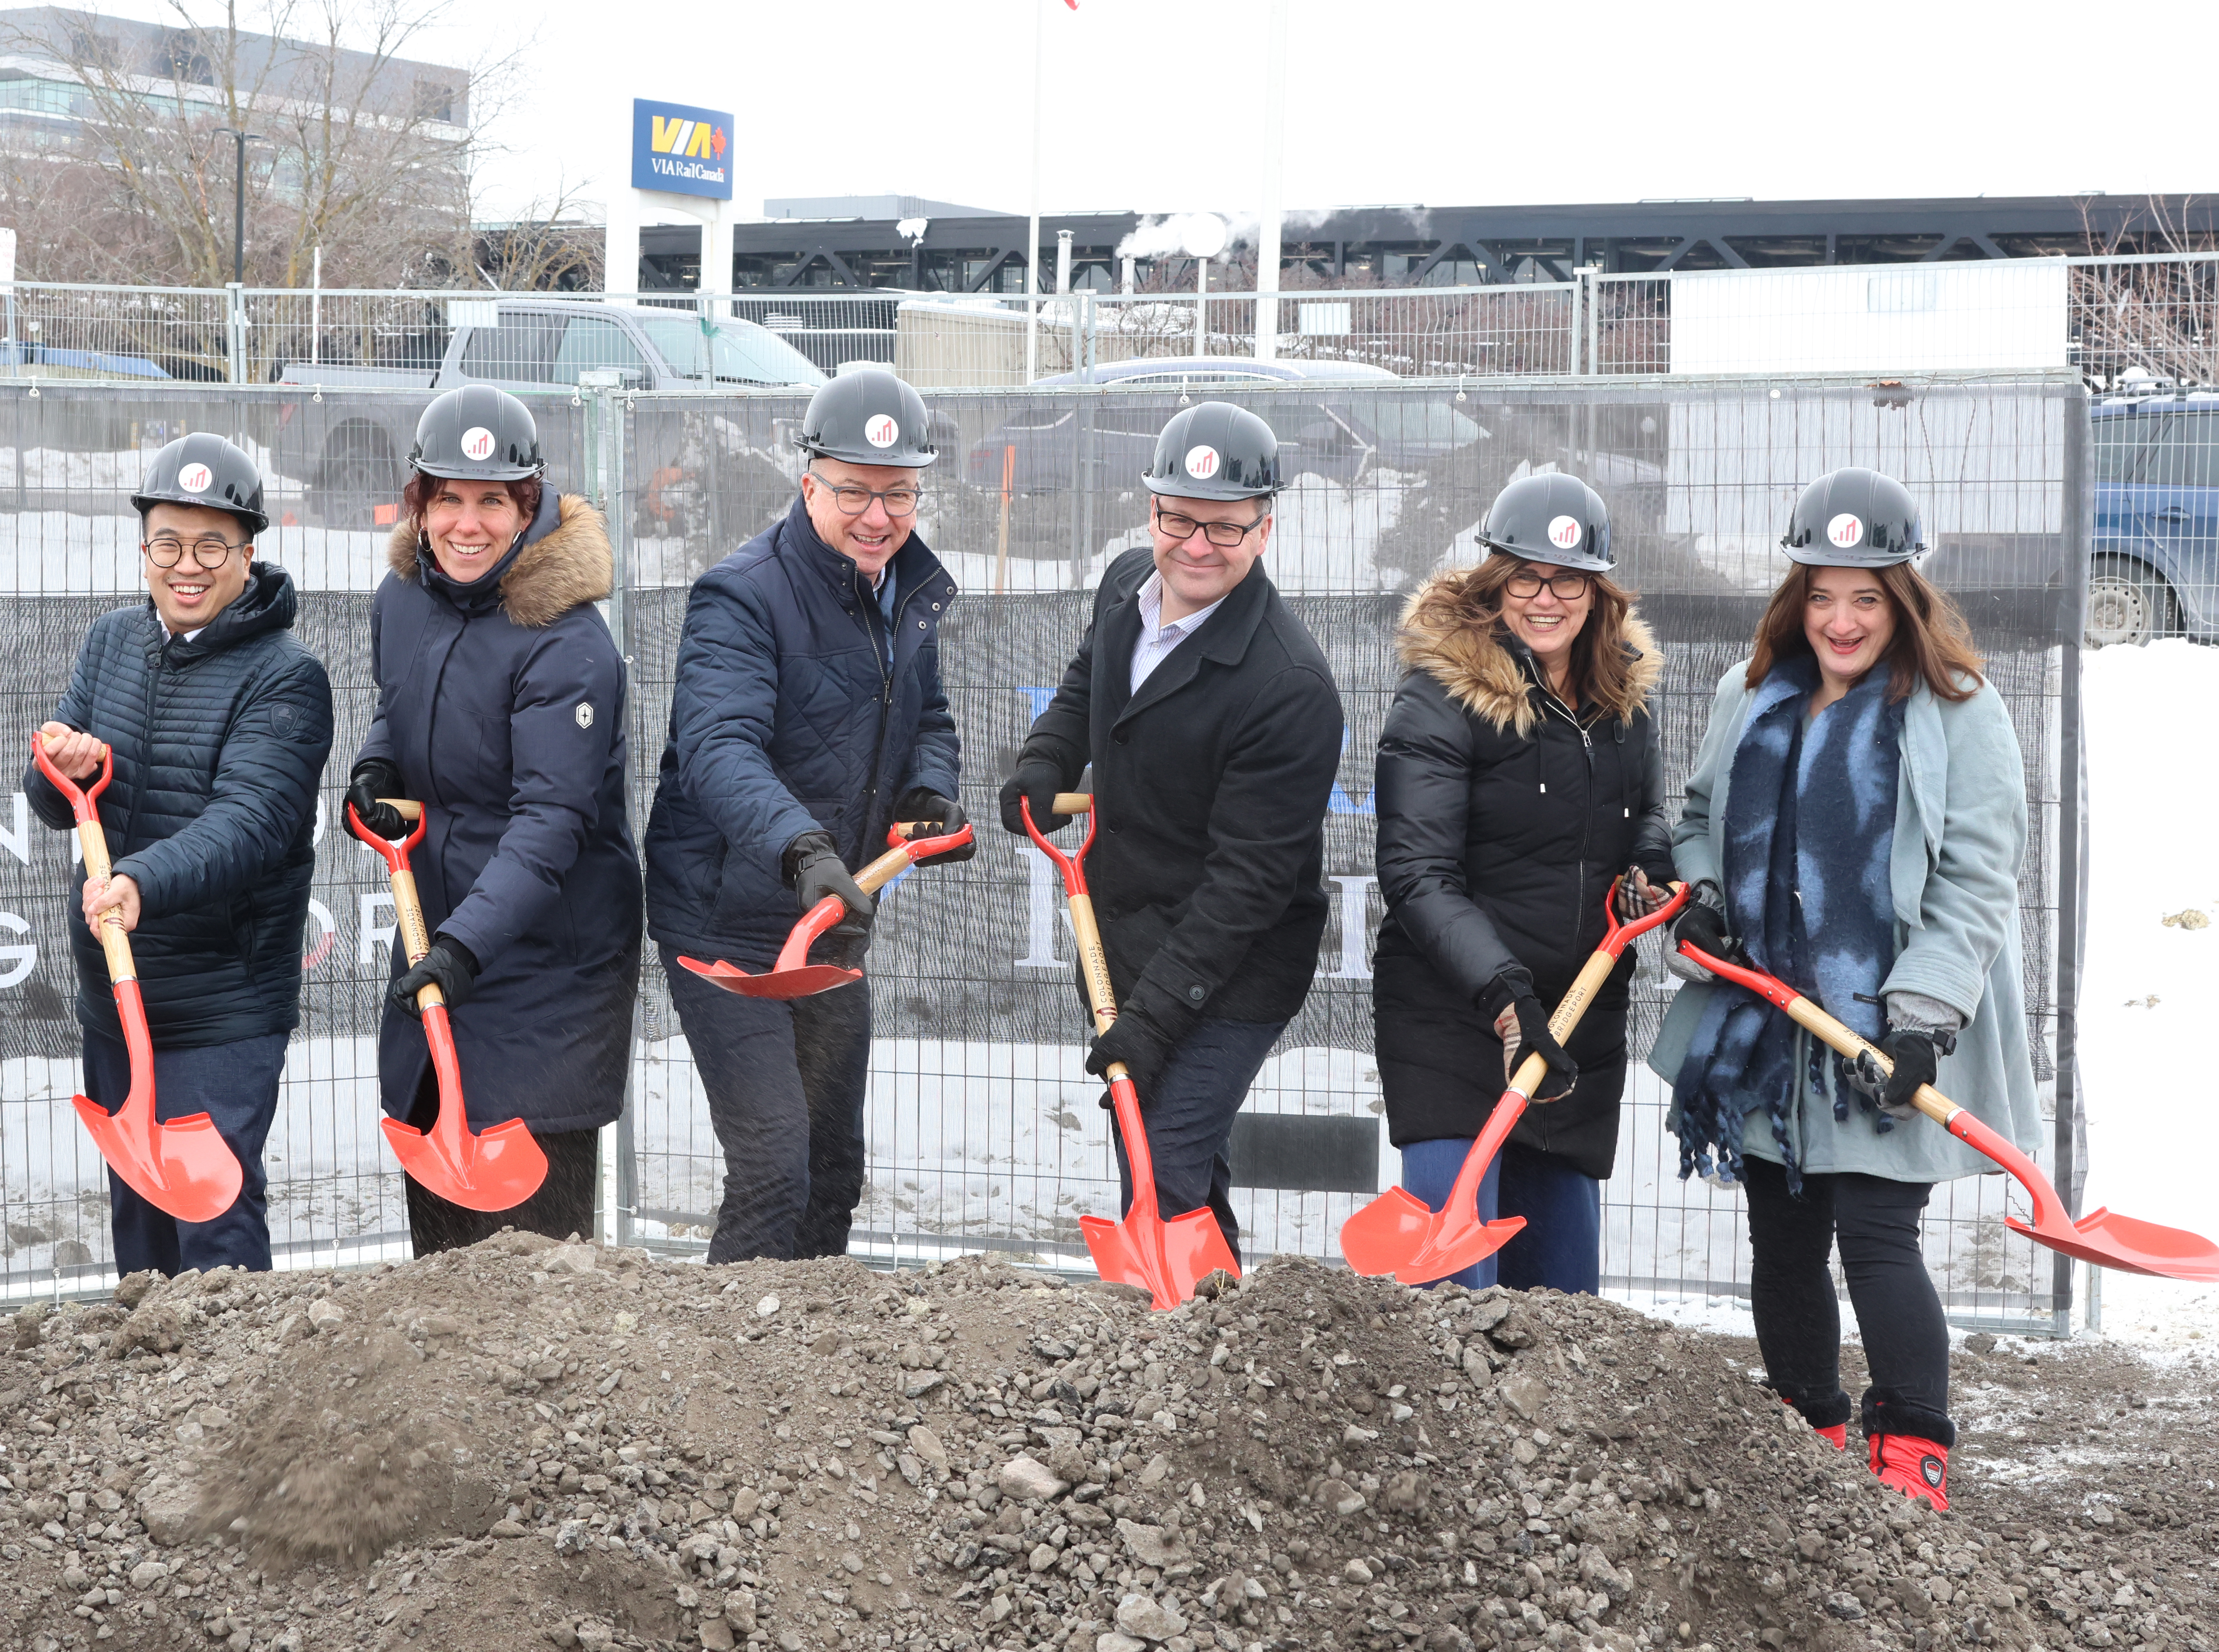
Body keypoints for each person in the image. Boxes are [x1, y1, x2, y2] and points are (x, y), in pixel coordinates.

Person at [1654, 466, 2032, 1512]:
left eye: (1865, 595)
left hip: (1883, 1026)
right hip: (1769, 1025)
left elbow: (1977, 871)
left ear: (1903, 598)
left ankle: (1910, 1456)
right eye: (1820, 593)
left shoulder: (1957, 709)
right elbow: (1695, 817)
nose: (1840, 617)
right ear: (1796, 596)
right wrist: (1702, 896)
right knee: (1780, 1237)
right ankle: (1805, 1429)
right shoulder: (1750, 694)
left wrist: (1924, 1010)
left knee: (1874, 1235)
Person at [999, 402, 1341, 1263]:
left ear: (1263, 528)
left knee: (1165, 1162)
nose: (1196, 545)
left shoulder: (1286, 685)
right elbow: (1085, 686)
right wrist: (1046, 760)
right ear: (1150, 509)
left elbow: (1247, 887)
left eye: (1224, 527)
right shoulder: (1124, 585)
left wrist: (1149, 1024)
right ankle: (1212, 1328)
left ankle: (1178, 1350)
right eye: (1178, 519)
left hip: (1234, 971)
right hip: (1125, 933)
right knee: (1159, 1160)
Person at [644, 367, 970, 1264]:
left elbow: (929, 721)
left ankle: (811, 1381)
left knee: (833, 1169)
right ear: (809, 483)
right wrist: (802, 849)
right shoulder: (740, 596)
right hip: (728, 926)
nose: (877, 515)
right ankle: (726, 1374)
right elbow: (719, 748)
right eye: (855, 491)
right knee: (773, 1165)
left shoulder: (906, 591)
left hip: (828, 926)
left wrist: (924, 793)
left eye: (898, 492)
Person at [25, 434, 332, 1278]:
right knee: (142, 1228)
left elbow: (255, 821)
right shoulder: (112, 641)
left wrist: (140, 881)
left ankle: (237, 1400)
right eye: (168, 542)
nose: (186, 565)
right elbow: (56, 800)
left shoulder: (286, 675)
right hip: (116, 993)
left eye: (211, 545)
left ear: (249, 552)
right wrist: (59, 767)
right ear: (144, 546)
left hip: (222, 1004)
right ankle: (150, 1403)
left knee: (213, 1225)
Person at [343, 385, 640, 1250]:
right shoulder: (403, 597)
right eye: (449, 500)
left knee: (533, 1273)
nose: (467, 526)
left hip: (545, 971)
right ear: (420, 502)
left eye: (492, 503)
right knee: (440, 1253)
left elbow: (551, 822)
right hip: (440, 945)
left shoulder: (569, 644)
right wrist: (376, 762)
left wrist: (464, 946)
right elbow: (397, 704)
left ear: (529, 505)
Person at [1370, 470, 1675, 1293]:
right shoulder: (1441, 694)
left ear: (1598, 589)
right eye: (1526, 577)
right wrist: (1505, 1000)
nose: (1547, 599)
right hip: (1455, 1019)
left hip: (1576, 1018)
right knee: (1453, 1294)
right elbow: (1415, 870)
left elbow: (1646, 810)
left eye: (1568, 580)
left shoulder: (1622, 696)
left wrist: (1650, 859)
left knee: (1563, 1307)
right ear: (1494, 580)